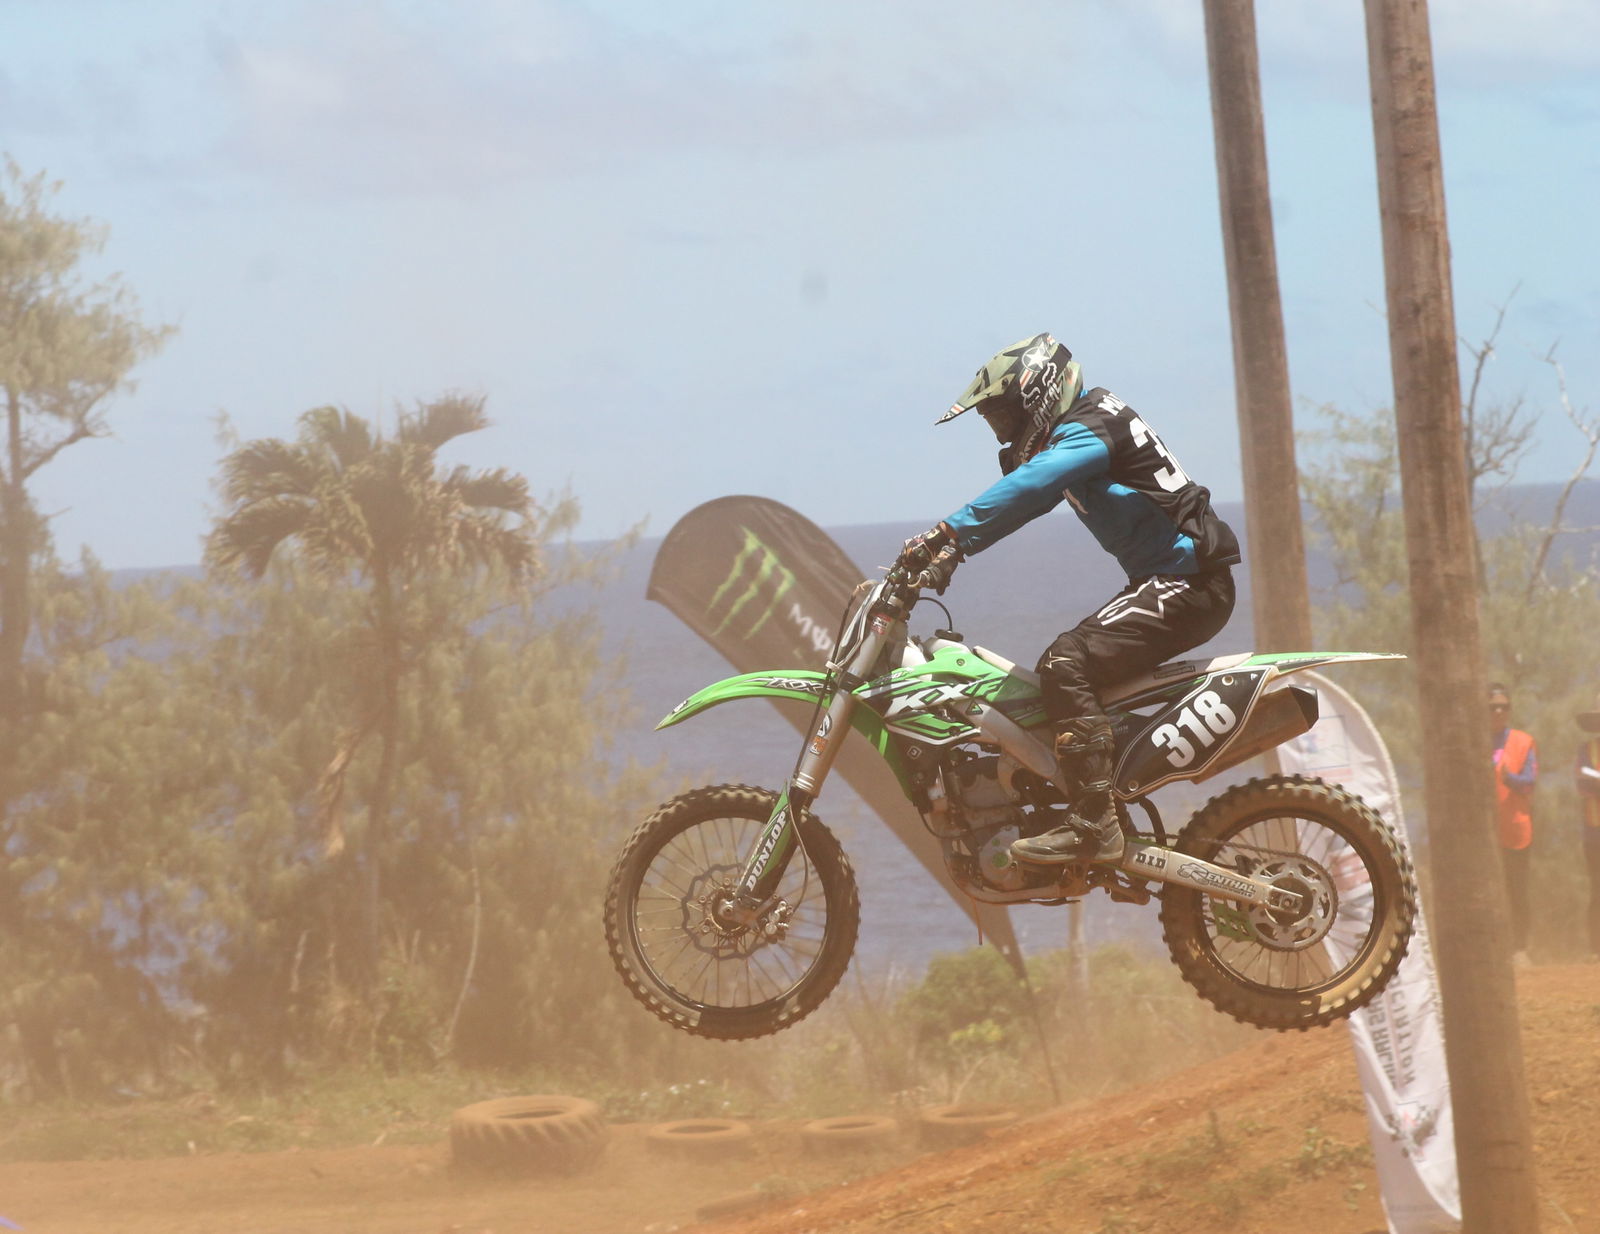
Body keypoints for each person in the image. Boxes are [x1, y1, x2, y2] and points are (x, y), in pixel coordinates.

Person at [894, 333, 1240, 865]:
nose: (1002, 431)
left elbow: (1033, 485)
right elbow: (1024, 502)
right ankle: (1091, 797)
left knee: (1064, 663)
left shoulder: (1093, 422)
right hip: (1172, 580)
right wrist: (956, 552)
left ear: (1041, 393)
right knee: (1058, 681)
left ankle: (1095, 825)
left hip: (1188, 581)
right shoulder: (1080, 434)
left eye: (1005, 415)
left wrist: (947, 536)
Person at [1489, 682, 1537, 965]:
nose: (1497, 711)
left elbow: (1530, 782)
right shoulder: (1474, 741)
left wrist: (1509, 778)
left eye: (1503, 706)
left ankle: (1520, 948)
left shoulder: (1523, 741)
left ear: (1509, 710)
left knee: (1517, 891)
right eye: (1492, 707)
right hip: (1485, 836)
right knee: (1492, 895)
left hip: (1517, 830)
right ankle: (1495, 948)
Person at [1573, 693, 1600, 961]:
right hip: (1595, 832)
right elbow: (1582, 780)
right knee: (1598, 889)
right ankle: (1596, 949)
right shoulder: (1587, 750)